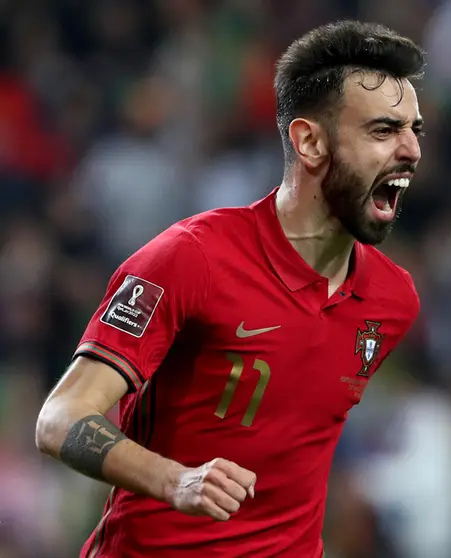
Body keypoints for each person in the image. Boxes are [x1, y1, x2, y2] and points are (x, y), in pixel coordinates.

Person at [35, 20, 425, 558]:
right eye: (383, 131)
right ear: (309, 141)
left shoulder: (392, 301)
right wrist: (176, 480)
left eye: (414, 130)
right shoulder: (190, 258)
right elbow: (60, 419)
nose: (411, 151)